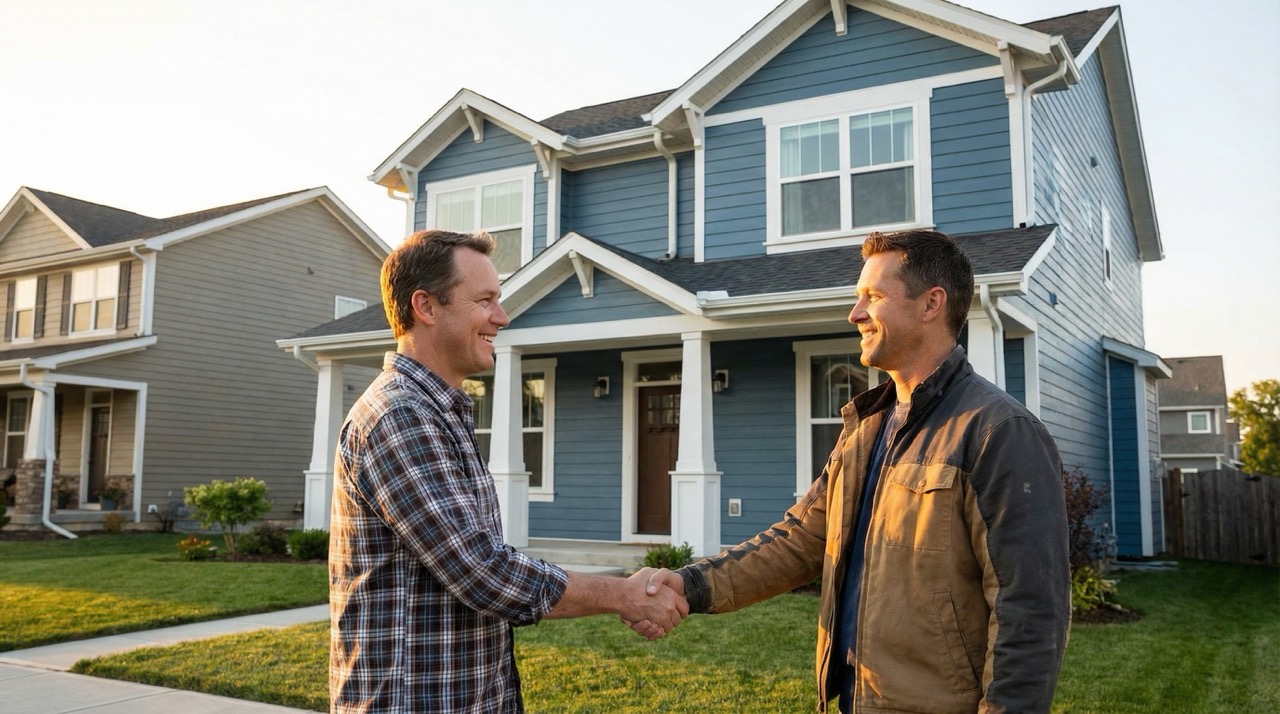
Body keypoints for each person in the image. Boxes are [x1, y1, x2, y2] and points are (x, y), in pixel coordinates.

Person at [645, 229, 1071, 712]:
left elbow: (1029, 612)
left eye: (874, 297)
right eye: (857, 298)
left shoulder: (998, 431)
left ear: (932, 303)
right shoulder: (865, 429)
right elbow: (800, 540)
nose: (856, 314)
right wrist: (689, 585)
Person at [329, 229, 687, 713]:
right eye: (485, 300)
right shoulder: (400, 416)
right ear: (426, 307)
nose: (502, 317)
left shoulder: (436, 413)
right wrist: (624, 594)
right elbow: (482, 572)